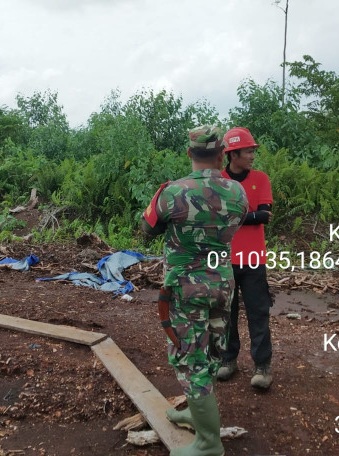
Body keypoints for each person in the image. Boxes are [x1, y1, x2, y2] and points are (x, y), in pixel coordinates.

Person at [142, 125, 248, 456]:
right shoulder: (238, 193)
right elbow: (234, 225)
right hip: (222, 285)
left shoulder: (172, 192)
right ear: (221, 155)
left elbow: (146, 230)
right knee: (213, 351)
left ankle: (208, 443)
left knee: (190, 357)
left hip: (184, 289)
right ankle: (193, 410)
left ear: (189, 154)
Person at [216, 126, 275, 390]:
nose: (252, 154)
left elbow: (265, 215)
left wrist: (233, 219)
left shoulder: (260, 179)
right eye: (248, 150)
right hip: (225, 259)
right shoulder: (217, 180)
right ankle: (228, 360)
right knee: (226, 313)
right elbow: (215, 219)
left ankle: (262, 366)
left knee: (258, 312)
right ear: (233, 154)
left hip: (253, 260)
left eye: (252, 150)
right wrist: (248, 217)